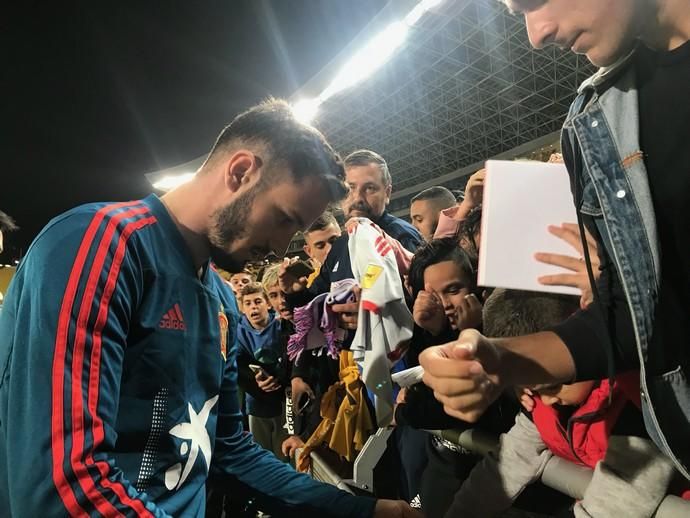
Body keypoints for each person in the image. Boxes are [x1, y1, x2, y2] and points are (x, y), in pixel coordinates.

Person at [0, 99, 419, 517]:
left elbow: (227, 452)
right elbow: (65, 489)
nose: (278, 246)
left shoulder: (219, 300)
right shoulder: (100, 246)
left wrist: (365, 512)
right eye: (282, 219)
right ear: (240, 172)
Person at [420, 0, 690, 480]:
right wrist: (499, 359)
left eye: (533, 1)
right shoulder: (599, 116)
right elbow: (640, 323)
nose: (535, 34)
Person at [446, 288, 675, 518]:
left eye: (553, 385)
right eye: (531, 387)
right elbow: (506, 464)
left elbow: (617, 501)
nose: (546, 400)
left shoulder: (639, 403)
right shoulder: (539, 404)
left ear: (583, 340)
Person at [237, 282, 289, 460]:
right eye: (248, 303)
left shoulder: (282, 325)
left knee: (285, 454)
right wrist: (256, 381)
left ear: (267, 304)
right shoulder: (237, 333)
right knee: (262, 455)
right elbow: (238, 368)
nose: (253, 307)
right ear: (242, 308)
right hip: (256, 404)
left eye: (258, 301)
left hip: (284, 401)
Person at [301, 210, 342, 282]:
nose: (329, 250)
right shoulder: (313, 287)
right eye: (320, 246)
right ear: (309, 251)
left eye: (334, 241)